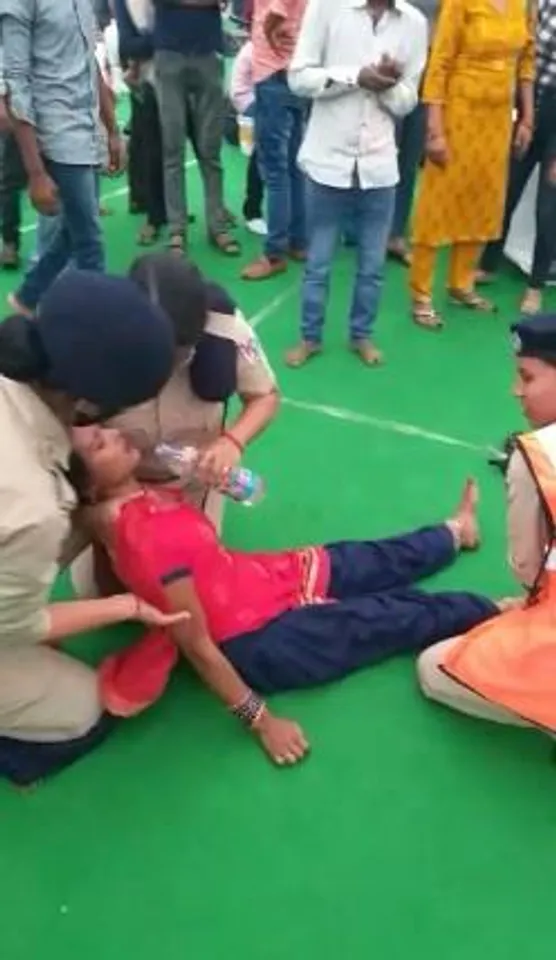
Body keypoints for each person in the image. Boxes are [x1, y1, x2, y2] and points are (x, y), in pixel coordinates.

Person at [71, 426, 502, 765]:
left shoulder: (128, 493)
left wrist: (206, 469)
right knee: (381, 618)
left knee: (362, 558)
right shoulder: (145, 538)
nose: (116, 435)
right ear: (89, 484)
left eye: (104, 429)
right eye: (99, 444)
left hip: (261, 577)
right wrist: (262, 723)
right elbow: (198, 647)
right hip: (259, 638)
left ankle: (454, 533)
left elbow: (105, 498)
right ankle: (493, 613)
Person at [0, 269, 185, 787]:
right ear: (89, 406)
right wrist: (124, 606)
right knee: (80, 709)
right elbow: (12, 627)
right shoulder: (32, 502)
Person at [418, 313, 556, 732]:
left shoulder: (538, 458)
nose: (516, 391)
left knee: (435, 668)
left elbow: (528, 570)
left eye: (527, 377)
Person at [285, 0, 428, 368]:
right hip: (326, 160)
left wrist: (386, 84)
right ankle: (310, 337)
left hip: (380, 165)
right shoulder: (327, 8)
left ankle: (361, 336)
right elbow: (298, 77)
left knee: (372, 265)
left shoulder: (413, 22)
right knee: (318, 263)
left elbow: (408, 101)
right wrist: (354, 76)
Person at [111, 253, 280, 532]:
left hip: (194, 485)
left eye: (180, 354)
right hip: (118, 488)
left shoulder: (225, 328)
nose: (167, 367)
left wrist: (232, 443)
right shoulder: (96, 335)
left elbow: (265, 397)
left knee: (192, 565)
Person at [408, 0, 535, 329]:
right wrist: (435, 129)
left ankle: (461, 283)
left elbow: (526, 63)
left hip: (497, 120)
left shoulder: (525, 4)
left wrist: (527, 119)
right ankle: (421, 293)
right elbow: (440, 62)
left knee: (483, 199)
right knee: (438, 203)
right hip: (457, 114)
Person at [1, 0, 125, 316]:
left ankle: (28, 297)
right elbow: (15, 84)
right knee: (90, 243)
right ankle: (96, 331)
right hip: (54, 133)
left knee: (74, 231)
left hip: (86, 129)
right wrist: (36, 173)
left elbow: (89, 63)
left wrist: (111, 129)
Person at [477, 0, 556, 316]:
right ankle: (488, 263)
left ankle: (535, 285)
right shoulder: (541, 3)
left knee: (549, 205)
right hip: (531, 99)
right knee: (507, 188)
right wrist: (523, 113)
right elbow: (524, 55)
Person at [153, 0, 239, 255]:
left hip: (207, 52)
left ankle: (217, 226)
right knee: (172, 148)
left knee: (210, 150)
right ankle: (177, 230)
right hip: (169, 52)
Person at [240, 0, 308, 281]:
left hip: (273, 73)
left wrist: (268, 35)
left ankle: (274, 253)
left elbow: (275, 14)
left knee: (275, 169)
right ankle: (298, 241)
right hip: (294, 73)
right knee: (293, 166)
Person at [387, 0, 438, 267]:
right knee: (381, 150)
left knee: (408, 159)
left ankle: (395, 233)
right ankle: (357, 225)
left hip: (429, 68)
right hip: (391, 64)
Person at [230, 39, 267, 236]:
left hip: (268, 102)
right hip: (251, 103)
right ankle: (252, 212)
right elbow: (240, 91)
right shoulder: (254, 49)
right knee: (261, 156)